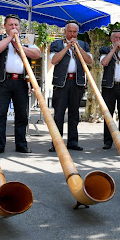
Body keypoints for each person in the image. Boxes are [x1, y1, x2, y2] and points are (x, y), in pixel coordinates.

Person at [0, 14, 41, 155]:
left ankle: (21, 144)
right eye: (11, 25)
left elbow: (36, 54)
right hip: (2, 81)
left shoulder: (26, 39)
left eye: (16, 25)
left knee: (22, 114)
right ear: (5, 26)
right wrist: (9, 38)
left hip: (21, 82)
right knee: (0, 114)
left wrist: (19, 47)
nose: (14, 27)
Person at [49, 21, 92, 152]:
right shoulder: (56, 44)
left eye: (75, 32)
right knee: (59, 115)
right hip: (61, 82)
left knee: (74, 114)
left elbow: (89, 61)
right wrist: (67, 47)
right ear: (65, 32)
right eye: (70, 31)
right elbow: (54, 60)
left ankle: (73, 142)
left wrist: (78, 48)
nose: (72, 34)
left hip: (77, 82)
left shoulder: (84, 44)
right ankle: (57, 143)